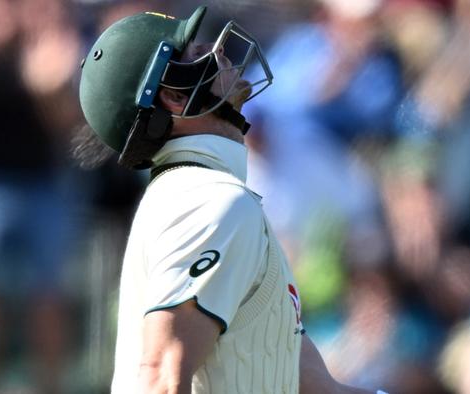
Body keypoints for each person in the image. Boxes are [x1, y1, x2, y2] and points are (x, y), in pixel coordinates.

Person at [79, 6, 385, 394]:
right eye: (191, 52)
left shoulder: (211, 196)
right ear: (173, 96)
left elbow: (314, 387)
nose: (214, 48)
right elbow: (159, 379)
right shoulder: (210, 200)